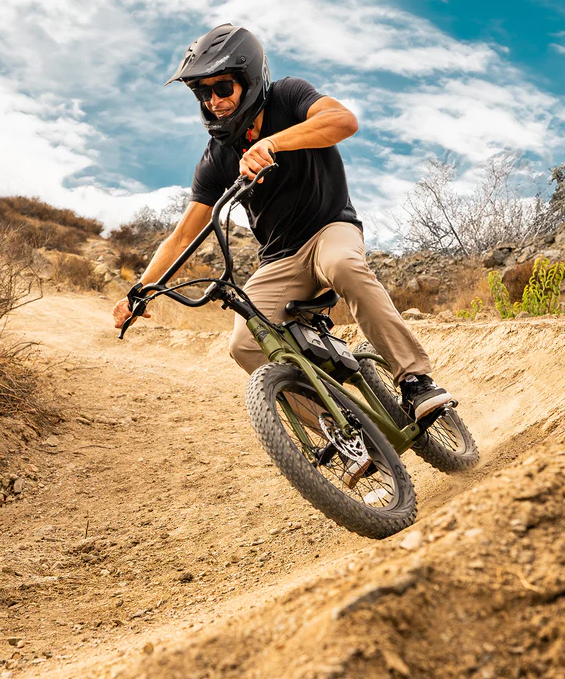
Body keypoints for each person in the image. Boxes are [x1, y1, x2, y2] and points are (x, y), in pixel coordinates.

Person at [112, 23, 453, 421]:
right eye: (203, 93)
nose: (213, 101)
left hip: (329, 229)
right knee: (244, 344)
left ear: (249, 79)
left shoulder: (289, 96)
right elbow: (183, 235)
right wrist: (139, 291)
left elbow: (344, 121)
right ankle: (340, 433)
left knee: (344, 266)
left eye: (222, 88)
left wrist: (272, 142)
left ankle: (415, 381)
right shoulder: (216, 158)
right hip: (279, 260)